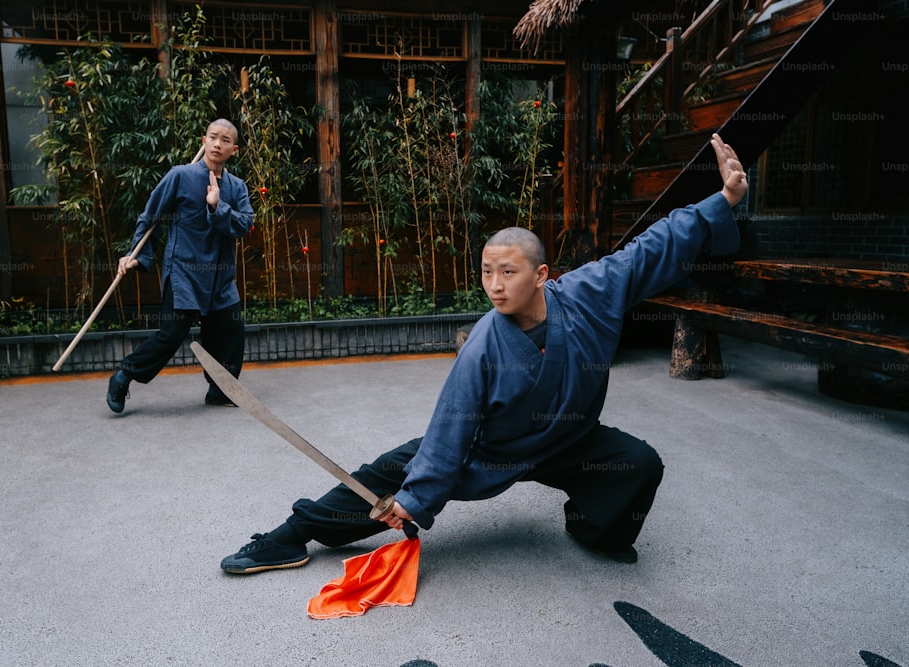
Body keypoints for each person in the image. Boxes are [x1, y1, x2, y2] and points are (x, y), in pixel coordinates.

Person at [220, 134, 747, 573]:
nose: (494, 286)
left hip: (569, 440)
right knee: (386, 475)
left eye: (508, 272)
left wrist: (721, 200)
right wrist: (417, 498)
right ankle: (292, 534)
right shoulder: (483, 345)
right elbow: (452, 430)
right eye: (486, 272)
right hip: (491, 448)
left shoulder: (591, 292)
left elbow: (650, 249)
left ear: (542, 275)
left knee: (638, 464)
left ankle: (592, 530)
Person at [106, 119, 255, 413]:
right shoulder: (180, 175)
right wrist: (136, 253)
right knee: (174, 331)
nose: (217, 144)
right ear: (203, 140)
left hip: (220, 275)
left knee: (230, 327)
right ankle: (124, 375)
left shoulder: (237, 187)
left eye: (225, 140)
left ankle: (220, 389)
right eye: (213, 137)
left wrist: (216, 206)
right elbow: (150, 216)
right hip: (184, 270)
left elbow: (245, 224)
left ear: (234, 149)